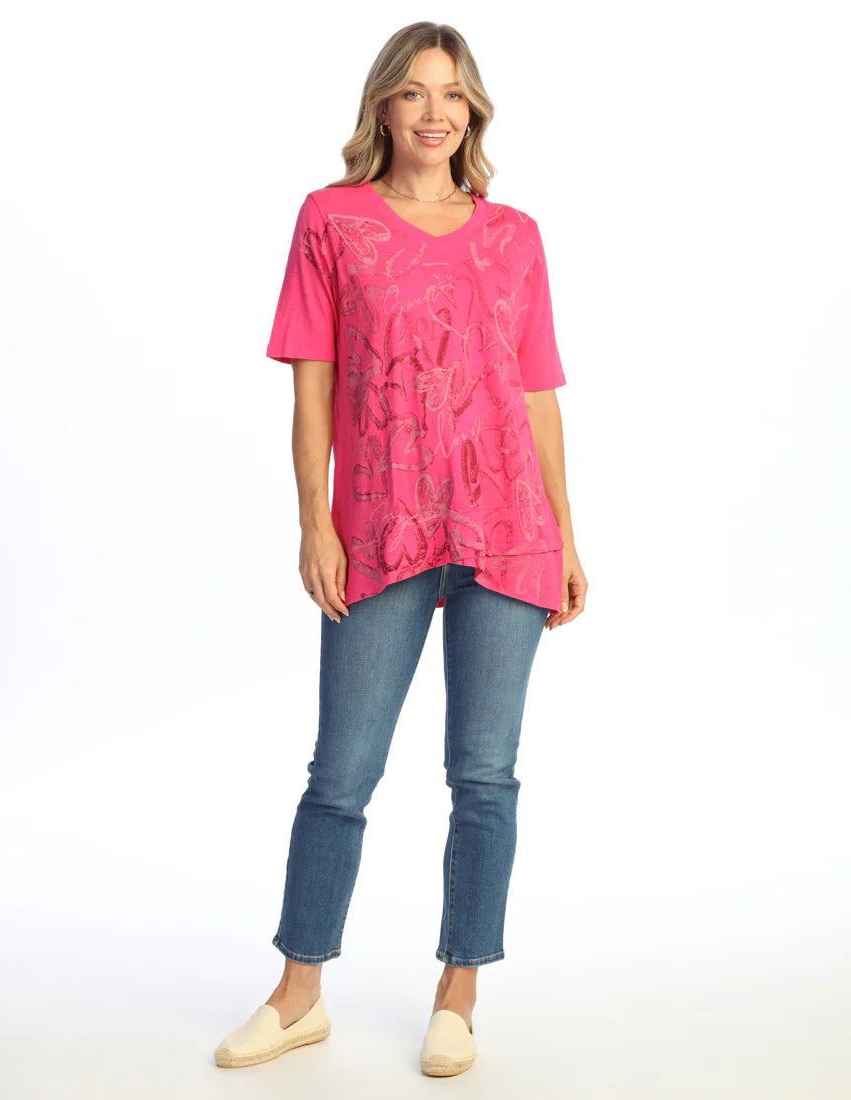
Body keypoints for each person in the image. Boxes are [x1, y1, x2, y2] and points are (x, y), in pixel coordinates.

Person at [215, 21, 588, 1077]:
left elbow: (536, 392)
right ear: (382, 104)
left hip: (508, 528)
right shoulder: (332, 220)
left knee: (485, 774)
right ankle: (298, 994)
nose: (435, 112)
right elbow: (314, 385)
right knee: (340, 772)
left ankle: (457, 992)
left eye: (453, 94)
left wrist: (567, 533)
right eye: (415, 92)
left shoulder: (514, 235)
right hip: (380, 528)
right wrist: (314, 520)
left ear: (474, 112)